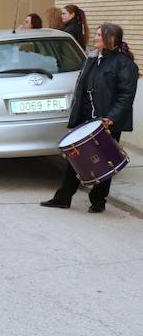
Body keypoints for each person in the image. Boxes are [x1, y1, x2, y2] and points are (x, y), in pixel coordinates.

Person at [41, 23, 137, 213]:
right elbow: (82, 89)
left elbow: (126, 96)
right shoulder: (92, 59)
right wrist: (75, 117)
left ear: (110, 39)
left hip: (107, 122)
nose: (95, 38)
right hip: (86, 118)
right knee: (74, 159)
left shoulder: (125, 64)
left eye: (99, 35)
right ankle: (63, 198)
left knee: (106, 162)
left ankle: (98, 201)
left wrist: (111, 118)